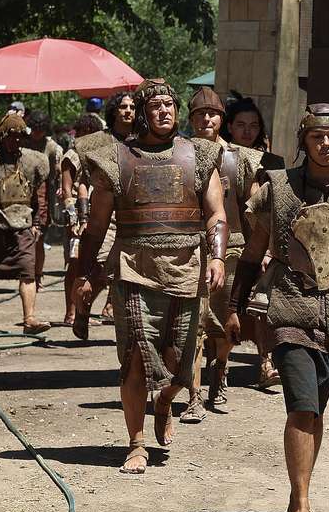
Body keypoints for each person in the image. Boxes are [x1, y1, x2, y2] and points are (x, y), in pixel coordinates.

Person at [226, 104, 329, 512]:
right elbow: (254, 251)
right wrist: (236, 305)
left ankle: (301, 493)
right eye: (317, 137)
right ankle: (301, 506)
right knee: (302, 405)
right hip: (289, 307)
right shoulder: (278, 189)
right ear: (304, 140)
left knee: (317, 410)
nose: (325, 145)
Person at [74, 78, 227, 474]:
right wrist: (88, 273)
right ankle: (136, 442)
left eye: (169, 105)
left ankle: (165, 402)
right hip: (133, 269)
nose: (164, 111)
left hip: (187, 270)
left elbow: (216, 213)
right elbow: (96, 226)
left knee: (180, 361)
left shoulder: (201, 154)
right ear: (142, 113)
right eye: (155, 106)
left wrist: (218, 256)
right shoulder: (116, 158)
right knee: (135, 358)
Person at [182, 86, 265, 423]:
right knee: (192, 325)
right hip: (188, 250)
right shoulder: (179, 154)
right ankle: (193, 395)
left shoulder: (240, 158)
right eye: (200, 113)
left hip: (232, 250)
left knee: (227, 322)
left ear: (222, 119)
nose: (207, 119)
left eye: (213, 113)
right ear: (190, 119)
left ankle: (220, 371)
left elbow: (256, 207)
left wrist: (262, 249)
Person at [0, 111, 50, 334]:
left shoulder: (32, 160)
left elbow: (38, 193)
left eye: (20, 136)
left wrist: (37, 221)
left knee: (28, 272)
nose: (16, 140)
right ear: (2, 136)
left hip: (22, 226)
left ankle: (30, 319)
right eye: (11, 135)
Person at [59, 112, 105, 327]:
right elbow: (67, 188)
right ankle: (70, 312)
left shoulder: (100, 153)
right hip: (78, 214)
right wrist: (73, 218)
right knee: (76, 263)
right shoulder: (72, 155)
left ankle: (83, 308)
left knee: (96, 263)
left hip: (99, 213)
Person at [23, 109, 63, 287]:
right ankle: (26, 272)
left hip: (42, 193)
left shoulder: (52, 147)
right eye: (34, 129)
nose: (37, 133)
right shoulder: (23, 142)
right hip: (22, 192)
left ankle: (37, 274)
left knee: (39, 238)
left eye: (41, 129)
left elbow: (56, 174)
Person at [222, 95, 285, 171]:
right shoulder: (220, 157)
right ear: (229, 127)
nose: (247, 131)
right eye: (241, 125)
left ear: (259, 128)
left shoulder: (273, 163)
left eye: (253, 126)